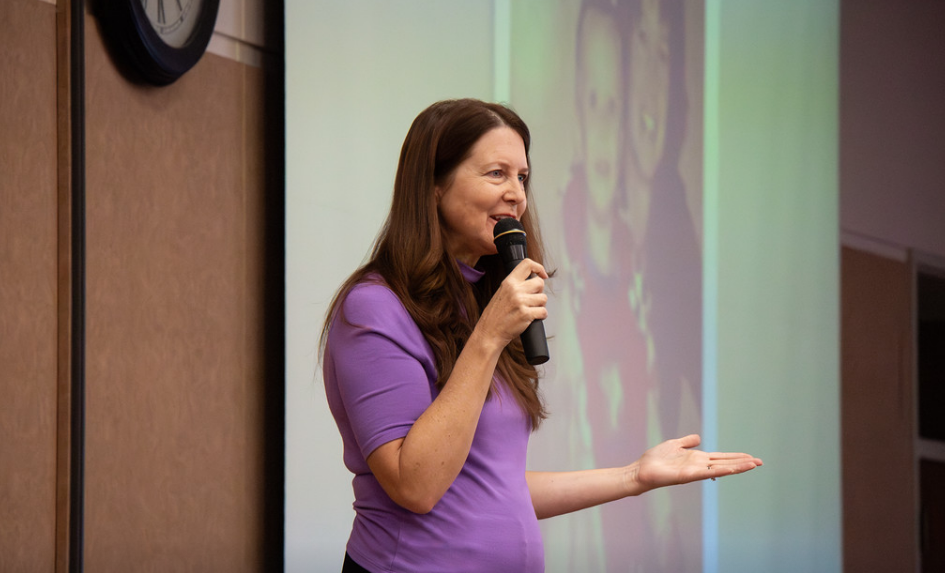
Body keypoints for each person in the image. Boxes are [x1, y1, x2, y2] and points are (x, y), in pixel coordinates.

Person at [321, 98, 761, 573]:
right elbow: (416, 485)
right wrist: (488, 337)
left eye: (522, 177)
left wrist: (636, 476)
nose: (517, 195)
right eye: (496, 174)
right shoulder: (375, 308)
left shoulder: (480, 303)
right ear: (432, 186)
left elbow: (495, 488)